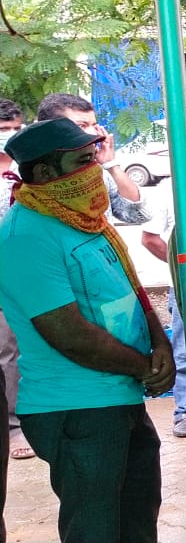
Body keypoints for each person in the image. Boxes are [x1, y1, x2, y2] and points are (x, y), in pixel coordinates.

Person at [0, 118, 174, 543]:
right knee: (95, 529)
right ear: (45, 172)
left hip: (119, 395)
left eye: (93, 158)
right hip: (77, 408)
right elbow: (69, 334)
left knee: (137, 521)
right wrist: (146, 367)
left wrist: (160, 345)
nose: (94, 170)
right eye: (81, 161)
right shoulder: (25, 235)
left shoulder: (86, 220)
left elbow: (131, 289)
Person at [139, 130, 186, 438]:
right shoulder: (170, 191)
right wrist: (184, 268)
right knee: (185, 349)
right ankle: (185, 410)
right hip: (185, 287)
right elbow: (150, 239)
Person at [35, 94, 150, 224]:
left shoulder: (99, 172)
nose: (93, 133)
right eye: (81, 126)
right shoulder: (34, 178)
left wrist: (111, 165)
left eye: (94, 126)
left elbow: (140, 215)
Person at [0, 98, 26, 472]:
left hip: (27, 270)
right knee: (5, 348)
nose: (10, 135)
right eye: (4, 129)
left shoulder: (26, 169)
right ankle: (13, 426)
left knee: (23, 346)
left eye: (16, 128)